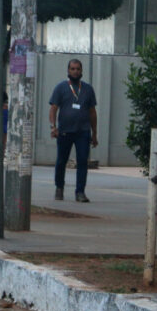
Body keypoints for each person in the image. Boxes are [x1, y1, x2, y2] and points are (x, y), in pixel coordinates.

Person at [49, 59, 98, 203]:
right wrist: (53, 127)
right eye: (72, 69)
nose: (75, 71)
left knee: (83, 161)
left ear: (81, 71)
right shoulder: (61, 88)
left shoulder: (88, 89)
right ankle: (59, 188)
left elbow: (92, 112)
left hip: (83, 132)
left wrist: (94, 133)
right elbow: (53, 109)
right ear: (68, 70)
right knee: (61, 161)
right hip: (64, 131)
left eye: (78, 69)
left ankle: (80, 192)